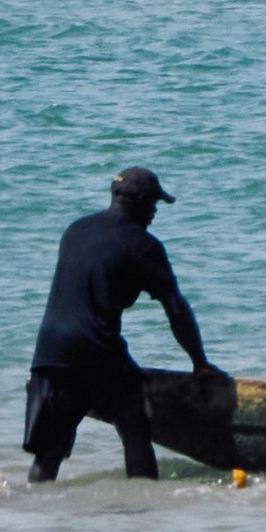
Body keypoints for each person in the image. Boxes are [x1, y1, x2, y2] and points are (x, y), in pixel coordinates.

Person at [24, 166, 215, 483]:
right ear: (139, 201)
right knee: (134, 425)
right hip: (96, 350)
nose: (154, 213)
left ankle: (32, 510)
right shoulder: (143, 246)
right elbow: (176, 309)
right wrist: (200, 363)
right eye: (153, 204)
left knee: (50, 452)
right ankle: (142, 508)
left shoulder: (75, 231)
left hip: (50, 353)